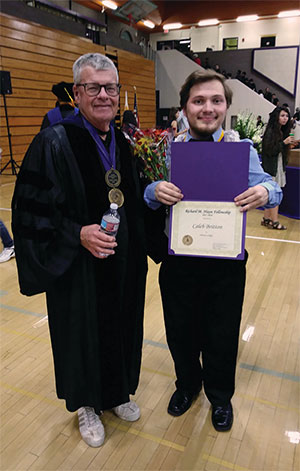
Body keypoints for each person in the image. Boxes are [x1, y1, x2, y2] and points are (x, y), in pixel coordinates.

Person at [12, 53, 148, 447]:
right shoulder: (53, 142)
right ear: (77, 92)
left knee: (122, 323)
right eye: (94, 87)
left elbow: (135, 201)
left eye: (110, 87)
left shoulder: (123, 142)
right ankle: (86, 404)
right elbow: (29, 214)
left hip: (119, 263)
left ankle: (118, 392)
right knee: (80, 333)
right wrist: (78, 233)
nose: (103, 95)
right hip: (77, 269)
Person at [144, 69, 282, 432]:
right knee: (180, 330)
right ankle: (187, 385)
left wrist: (266, 192)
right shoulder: (166, 150)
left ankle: (220, 397)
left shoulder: (241, 151)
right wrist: (154, 189)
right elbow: (144, 191)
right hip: (180, 260)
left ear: (226, 106)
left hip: (225, 263)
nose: (208, 108)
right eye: (199, 101)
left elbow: (271, 184)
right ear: (185, 107)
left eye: (216, 100)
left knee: (222, 333)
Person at [261, 106, 296, 229]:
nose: (285, 118)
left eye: (286, 116)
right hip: (272, 168)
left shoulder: (281, 131)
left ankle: (266, 219)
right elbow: (269, 150)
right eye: (282, 116)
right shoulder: (271, 131)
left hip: (278, 166)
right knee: (274, 194)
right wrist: (284, 143)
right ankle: (274, 221)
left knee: (272, 194)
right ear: (276, 117)